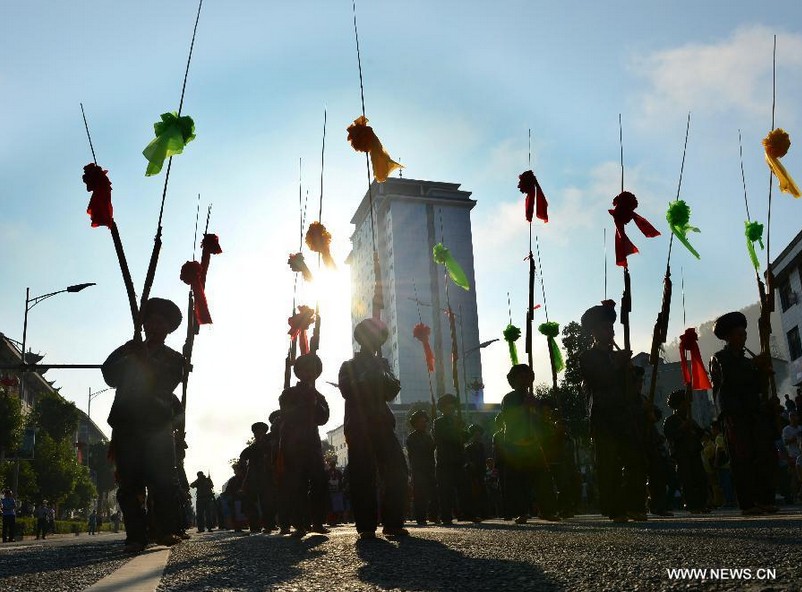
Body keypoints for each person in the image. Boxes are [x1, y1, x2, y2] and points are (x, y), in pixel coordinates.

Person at [102, 297, 186, 553]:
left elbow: (167, 382)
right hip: (127, 423)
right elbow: (109, 374)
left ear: (169, 328)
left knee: (163, 481)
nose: (156, 324)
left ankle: (163, 530)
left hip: (158, 425)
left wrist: (145, 360)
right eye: (152, 319)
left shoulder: (174, 357)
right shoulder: (128, 348)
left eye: (163, 321)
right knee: (129, 482)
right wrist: (133, 358)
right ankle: (136, 536)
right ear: (144, 323)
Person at [338, 318, 409, 539]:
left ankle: (393, 522)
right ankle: (366, 526)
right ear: (361, 339)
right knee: (362, 475)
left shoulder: (383, 364)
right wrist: (367, 376)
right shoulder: (349, 365)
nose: (375, 342)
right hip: (359, 425)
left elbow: (391, 391)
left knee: (397, 469)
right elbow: (347, 390)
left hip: (382, 423)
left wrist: (384, 377)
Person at [579, 301, 647, 522]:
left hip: (624, 415)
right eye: (604, 328)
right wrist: (617, 365)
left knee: (635, 459)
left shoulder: (619, 357)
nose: (610, 332)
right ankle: (615, 508)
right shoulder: (587, 357)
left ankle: (635, 505)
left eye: (611, 328)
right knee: (609, 463)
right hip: (603, 416)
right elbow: (598, 380)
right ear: (594, 333)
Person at [709, 311, 777, 515]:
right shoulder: (719, 358)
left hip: (752, 415)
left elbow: (756, 387)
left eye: (744, 334)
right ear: (728, 337)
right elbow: (729, 382)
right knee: (741, 458)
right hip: (734, 416)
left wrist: (764, 374)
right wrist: (754, 368)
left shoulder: (748, 361)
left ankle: (763, 499)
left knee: (762, 455)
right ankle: (747, 504)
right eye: (739, 335)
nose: (743, 338)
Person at [278, 353, 330, 537]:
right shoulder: (288, 393)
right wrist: (305, 402)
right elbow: (287, 414)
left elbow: (323, 419)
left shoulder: (318, 395)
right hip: (293, 444)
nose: (309, 373)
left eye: (313, 370)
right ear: (298, 372)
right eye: (305, 369)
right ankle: (299, 523)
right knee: (297, 484)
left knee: (319, 482)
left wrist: (315, 403)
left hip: (313, 444)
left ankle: (317, 521)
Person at [499, 364, 558, 523]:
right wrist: (524, 407)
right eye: (520, 376)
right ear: (514, 380)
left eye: (527, 376)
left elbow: (539, 421)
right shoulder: (509, 398)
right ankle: (521, 512)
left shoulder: (534, 399)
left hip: (533, 445)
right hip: (515, 445)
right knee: (517, 482)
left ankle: (547, 510)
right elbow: (507, 419)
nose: (524, 379)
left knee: (543, 479)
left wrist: (538, 412)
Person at [663, 389, 708, 513]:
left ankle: (702, 504)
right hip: (682, 455)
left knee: (700, 478)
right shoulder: (671, 420)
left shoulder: (690, 420)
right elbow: (670, 436)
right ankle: (692, 505)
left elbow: (700, 434)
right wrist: (682, 429)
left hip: (694, 453)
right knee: (687, 480)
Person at [434, 393, 467, 524]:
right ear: (443, 408)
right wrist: (456, 429)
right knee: (445, 491)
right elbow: (445, 436)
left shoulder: (457, 421)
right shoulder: (438, 422)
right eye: (448, 406)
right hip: (445, 461)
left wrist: (461, 430)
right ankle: (446, 516)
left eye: (452, 405)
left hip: (458, 460)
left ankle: (466, 513)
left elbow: (465, 437)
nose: (451, 408)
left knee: (463, 489)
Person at [239, 422, 275, 534]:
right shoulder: (252, 448)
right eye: (256, 433)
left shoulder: (270, 445)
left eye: (260, 432)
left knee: (267, 502)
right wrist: (245, 472)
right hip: (253, 479)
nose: (258, 435)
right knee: (251, 503)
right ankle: (255, 526)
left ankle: (269, 525)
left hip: (267, 478)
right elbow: (242, 457)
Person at [405, 409, 438, 525]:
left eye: (425, 421)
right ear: (415, 423)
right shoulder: (411, 438)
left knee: (434, 493)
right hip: (418, 469)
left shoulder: (428, 436)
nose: (424, 424)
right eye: (421, 421)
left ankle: (434, 515)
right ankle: (421, 517)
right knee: (420, 495)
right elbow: (418, 451)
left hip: (429, 468)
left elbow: (432, 448)